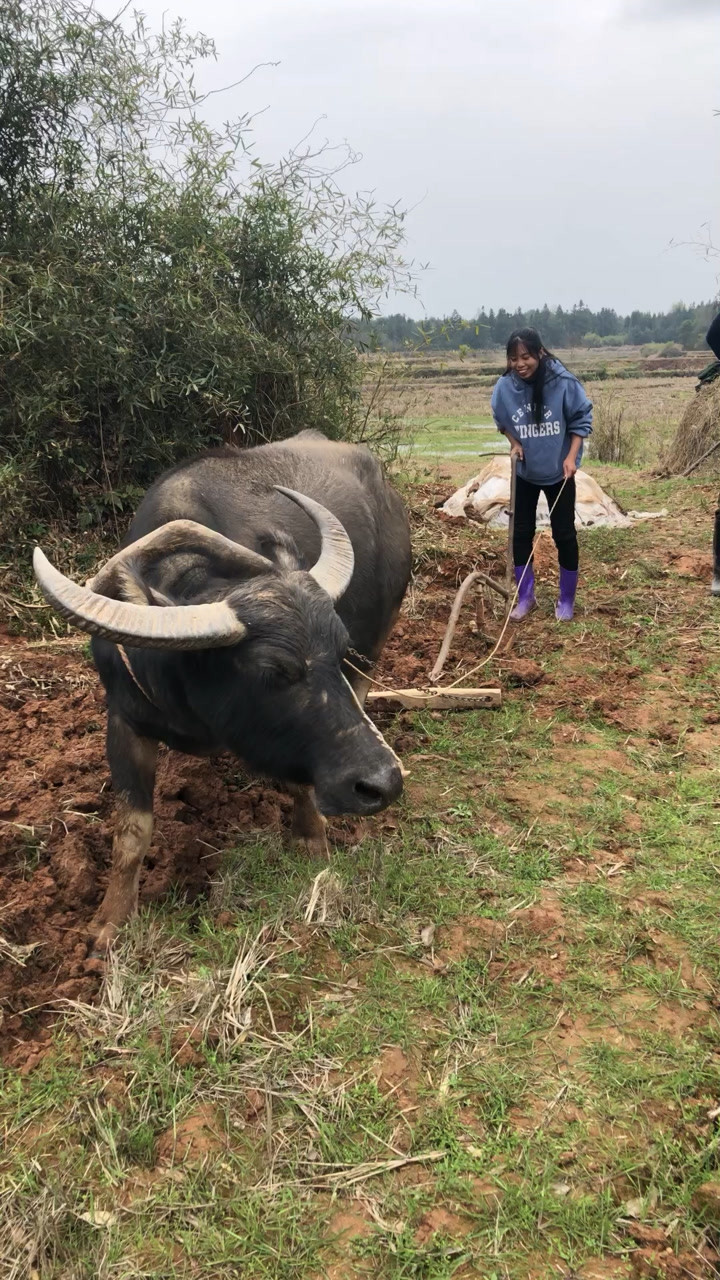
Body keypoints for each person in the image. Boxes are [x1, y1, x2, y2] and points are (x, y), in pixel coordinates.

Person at [491, 327, 593, 622]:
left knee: (564, 534)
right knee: (521, 534)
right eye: (513, 359)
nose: (520, 364)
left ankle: (567, 599)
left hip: (559, 471)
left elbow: (581, 419)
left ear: (540, 353)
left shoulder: (562, 382)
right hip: (525, 472)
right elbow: (500, 417)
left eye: (526, 357)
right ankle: (525, 598)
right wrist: (514, 443)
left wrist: (572, 457)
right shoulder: (505, 388)